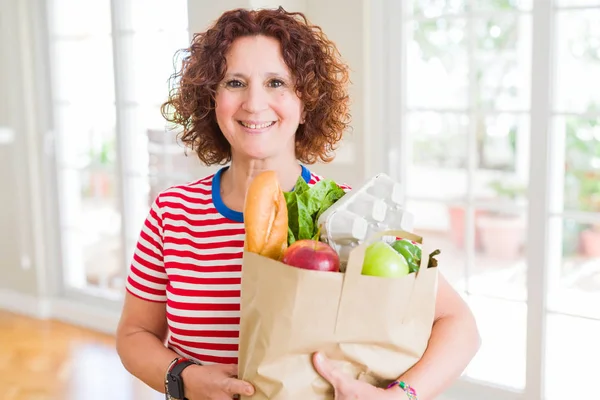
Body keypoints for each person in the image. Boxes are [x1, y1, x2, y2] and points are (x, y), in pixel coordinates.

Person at [115, 6, 481, 400]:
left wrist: (399, 396)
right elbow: (134, 335)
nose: (254, 103)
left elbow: (459, 324)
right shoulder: (173, 213)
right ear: (211, 98)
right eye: (235, 82)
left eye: (276, 83)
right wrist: (183, 379)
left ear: (306, 102)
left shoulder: (346, 211)